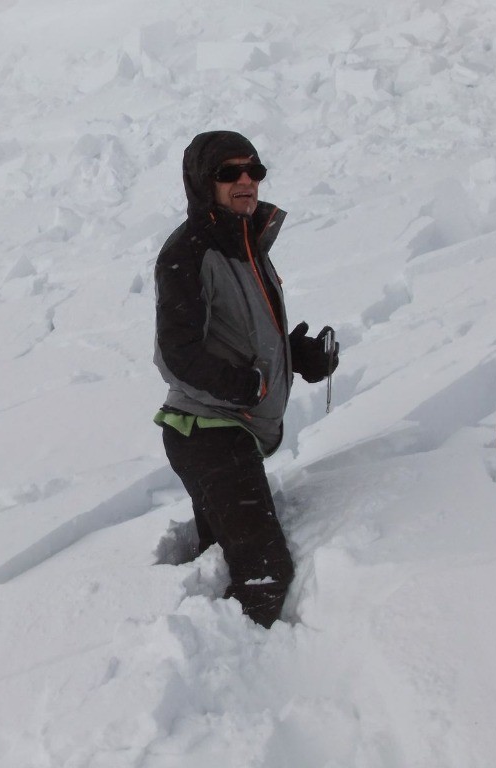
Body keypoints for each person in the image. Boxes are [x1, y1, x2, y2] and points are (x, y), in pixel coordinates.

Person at [153, 130, 339, 628]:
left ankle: (213, 647)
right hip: (209, 433)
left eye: (253, 170)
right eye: (228, 173)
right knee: (265, 571)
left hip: (225, 432)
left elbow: (243, 335)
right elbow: (176, 353)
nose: (245, 181)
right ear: (201, 183)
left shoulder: (246, 244)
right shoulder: (189, 252)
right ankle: (242, 677)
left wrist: (297, 357)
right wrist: (248, 387)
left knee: (230, 557)